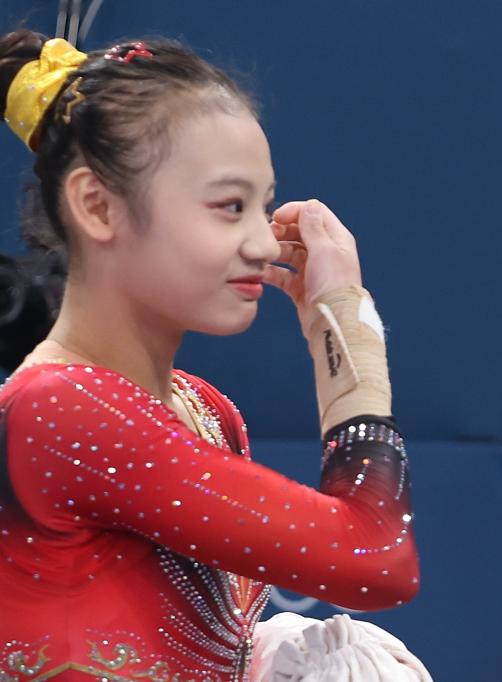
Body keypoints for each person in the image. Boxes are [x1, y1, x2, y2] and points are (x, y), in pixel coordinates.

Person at [0, 30, 418, 680]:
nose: (264, 243)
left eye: (263, 205)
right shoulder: (59, 409)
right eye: (229, 206)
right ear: (97, 205)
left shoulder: (204, 409)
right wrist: (345, 326)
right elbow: (374, 558)